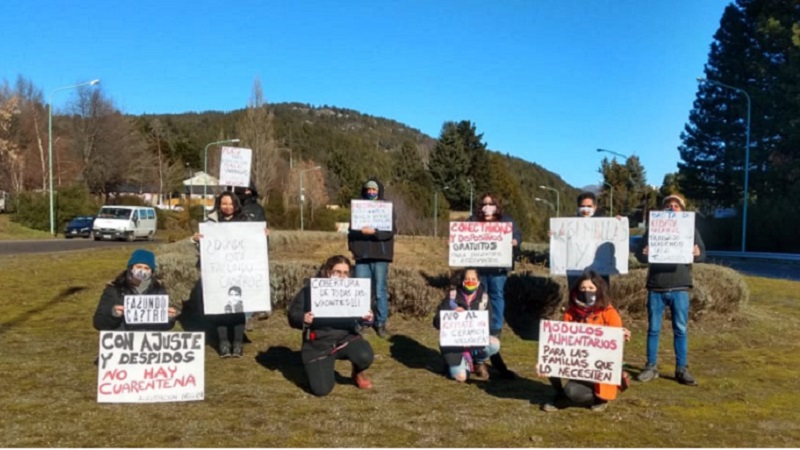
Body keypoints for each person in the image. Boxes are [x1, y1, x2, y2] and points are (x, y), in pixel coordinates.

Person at [634, 194, 706, 386]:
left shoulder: (690, 229)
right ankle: (650, 367)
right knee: (653, 329)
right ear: (663, 209)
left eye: (676, 206)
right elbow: (639, 255)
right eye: (669, 205)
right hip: (656, 285)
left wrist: (697, 254)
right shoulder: (653, 230)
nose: (672, 208)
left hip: (680, 285)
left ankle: (681, 369)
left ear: (682, 210)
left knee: (680, 330)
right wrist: (644, 253)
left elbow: (703, 253)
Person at [540, 270, 631, 412]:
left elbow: (614, 346)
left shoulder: (609, 312)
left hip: (600, 366)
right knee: (549, 361)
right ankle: (560, 394)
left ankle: (600, 398)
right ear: (577, 290)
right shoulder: (571, 312)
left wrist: (619, 335)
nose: (586, 291)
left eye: (591, 288)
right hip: (578, 361)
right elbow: (563, 340)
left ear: (599, 290)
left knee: (573, 392)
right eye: (583, 288)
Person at [288, 255, 375, 397]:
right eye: (338, 272)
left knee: (365, 355)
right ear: (328, 272)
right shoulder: (311, 290)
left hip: (346, 338)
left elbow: (368, 316)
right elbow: (293, 315)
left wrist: (368, 318)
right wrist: (303, 318)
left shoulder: (354, 291)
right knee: (321, 390)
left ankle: (358, 372)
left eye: (346, 273)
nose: (342, 276)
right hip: (318, 344)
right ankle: (316, 369)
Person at [192, 191, 249, 358]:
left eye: (231, 204)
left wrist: (263, 236)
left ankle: (237, 343)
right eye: (224, 204)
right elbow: (203, 248)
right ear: (218, 204)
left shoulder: (245, 221)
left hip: (239, 270)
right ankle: (223, 343)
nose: (228, 207)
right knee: (220, 307)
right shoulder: (210, 221)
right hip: (217, 271)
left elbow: (254, 245)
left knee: (239, 308)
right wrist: (196, 240)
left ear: (236, 204)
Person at [348, 177, 396, 338]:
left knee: (380, 291)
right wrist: (354, 247)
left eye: (374, 189)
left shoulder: (386, 208)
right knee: (361, 291)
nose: (371, 192)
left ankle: (381, 323)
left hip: (380, 256)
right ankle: (362, 321)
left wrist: (374, 233)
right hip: (362, 256)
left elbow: (390, 231)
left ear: (378, 191)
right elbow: (351, 231)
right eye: (368, 189)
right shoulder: (358, 208)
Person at [433, 268, 500, 382]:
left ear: (479, 281)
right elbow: (436, 322)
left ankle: (478, 362)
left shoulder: (484, 299)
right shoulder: (452, 297)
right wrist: (451, 314)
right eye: (467, 279)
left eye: (473, 279)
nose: (470, 282)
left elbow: (487, 324)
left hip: (474, 342)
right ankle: (455, 364)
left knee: (494, 344)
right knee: (461, 377)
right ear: (462, 281)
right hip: (453, 345)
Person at [93, 249, 178, 331]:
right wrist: (114, 315)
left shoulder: (159, 290)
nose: (142, 271)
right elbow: (99, 324)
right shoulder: (114, 290)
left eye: (146, 268)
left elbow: (165, 327)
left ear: (151, 271)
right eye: (139, 267)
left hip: (147, 343)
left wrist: (169, 318)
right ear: (131, 268)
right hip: (123, 342)